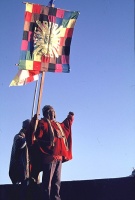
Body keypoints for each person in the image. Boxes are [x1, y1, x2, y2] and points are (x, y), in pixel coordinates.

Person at [31, 105, 74, 200]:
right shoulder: (43, 123)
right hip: (49, 157)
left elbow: (66, 126)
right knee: (47, 182)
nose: (53, 112)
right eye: (50, 111)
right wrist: (35, 122)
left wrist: (70, 117)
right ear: (46, 112)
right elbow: (37, 135)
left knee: (56, 182)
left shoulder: (58, 125)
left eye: (53, 111)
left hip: (59, 157)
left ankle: (56, 198)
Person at [9, 119, 30, 184]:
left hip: (25, 171)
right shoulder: (18, 137)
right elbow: (20, 145)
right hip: (18, 170)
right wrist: (26, 139)